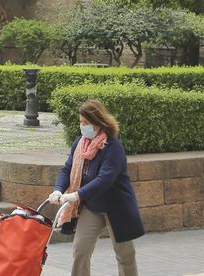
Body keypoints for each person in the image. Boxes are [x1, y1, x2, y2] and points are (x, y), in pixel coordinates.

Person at [44, 98, 143, 276]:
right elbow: (67, 168)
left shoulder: (112, 147)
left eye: (86, 123)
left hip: (117, 206)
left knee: (125, 254)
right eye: (80, 122)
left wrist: (76, 195)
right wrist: (58, 189)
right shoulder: (80, 143)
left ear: (98, 122)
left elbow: (105, 179)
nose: (82, 127)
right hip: (93, 206)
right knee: (80, 250)